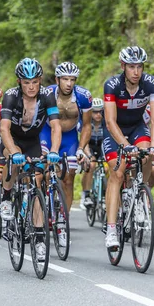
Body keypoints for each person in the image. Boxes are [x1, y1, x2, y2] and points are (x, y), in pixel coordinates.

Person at [0, 58, 61, 261]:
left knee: (36, 182)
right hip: (13, 139)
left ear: (40, 80)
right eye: (26, 82)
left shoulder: (47, 96)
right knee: (13, 160)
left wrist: (53, 150)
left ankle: (40, 240)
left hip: (33, 140)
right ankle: (7, 198)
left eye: (35, 81)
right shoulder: (10, 96)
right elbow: (4, 129)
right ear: (19, 82)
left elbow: (56, 126)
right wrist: (15, 153)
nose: (31, 86)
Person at [102, 46, 154, 249]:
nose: (136, 72)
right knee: (117, 173)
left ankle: (139, 194)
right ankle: (111, 230)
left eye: (139, 67)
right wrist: (125, 146)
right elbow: (110, 121)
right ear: (123, 66)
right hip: (115, 130)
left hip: (137, 127)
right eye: (131, 67)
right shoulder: (112, 85)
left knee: (146, 155)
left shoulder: (152, 84)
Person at [40, 62, 92, 216]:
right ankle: (41, 203)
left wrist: (81, 148)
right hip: (47, 134)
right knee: (44, 171)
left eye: (72, 79)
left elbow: (87, 126)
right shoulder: (47, 93)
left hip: (69, 138)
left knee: (69, 179)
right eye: (65, 79)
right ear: (57, 80)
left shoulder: (83, 96)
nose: (69, 84)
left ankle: (63, 221)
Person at [80, 97, 105, 208]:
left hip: (101, 145)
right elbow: (84, 142)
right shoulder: (86, 122)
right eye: (95, 112)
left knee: (108, 167)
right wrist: (89, 156)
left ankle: (105, 193)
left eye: (101, 111)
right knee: (91, 164)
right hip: (89, 145)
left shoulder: (106, 122)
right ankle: (86, 194)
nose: (98, 114)